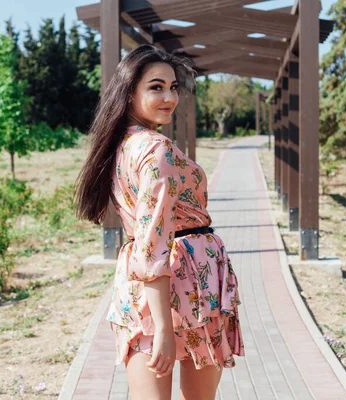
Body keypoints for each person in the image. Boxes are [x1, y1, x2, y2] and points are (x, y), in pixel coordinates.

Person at [75, 45, 244, 400]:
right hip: (187, 283)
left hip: (149, 285)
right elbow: (154, 244)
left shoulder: (120, 145)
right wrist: (164, 329)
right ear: (129, 90)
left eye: (172, 87)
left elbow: (146, 242)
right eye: (155, 87)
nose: (169, 97)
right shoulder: (156, 150)